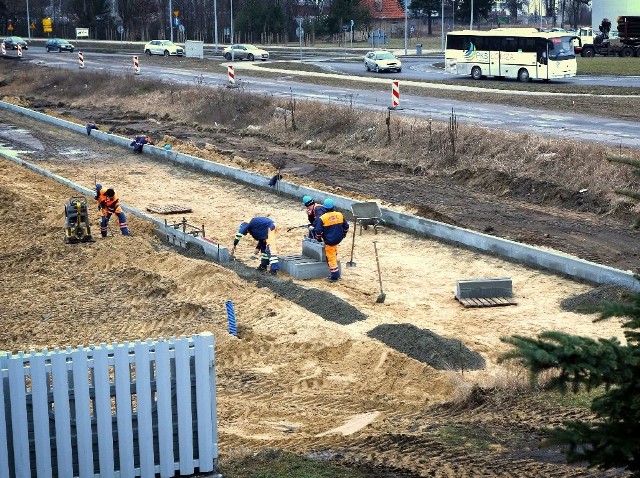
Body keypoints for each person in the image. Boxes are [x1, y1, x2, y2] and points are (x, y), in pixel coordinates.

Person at [313, 198, 349, 282]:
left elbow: (318, 231)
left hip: (330, 241)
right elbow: (346, 227)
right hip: (338, 238)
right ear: (333, 207)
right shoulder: (340, 215)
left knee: (330, 257)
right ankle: (334, 253)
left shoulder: (323, 218)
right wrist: (344, 234)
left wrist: (318, 238)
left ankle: (335, 276)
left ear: (324, 208)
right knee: (333, 251)